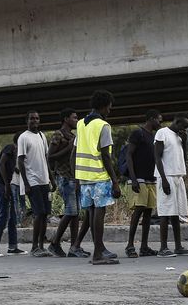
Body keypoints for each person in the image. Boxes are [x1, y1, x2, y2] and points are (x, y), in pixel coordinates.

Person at [71, 90, 122, 265]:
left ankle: (99, 249)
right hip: (99, 174)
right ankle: (98, 254)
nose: (110, 110)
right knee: (99, 212)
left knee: (91, 212)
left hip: (84, 176)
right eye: (109, 106)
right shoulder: (103, 125)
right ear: (103, 106)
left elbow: (75, 151)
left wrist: (76, 177)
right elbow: (105, 155)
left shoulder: (80, 124)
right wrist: (115, 180)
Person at [47, 108, 91, 258]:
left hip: (74, 177)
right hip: (64, 177)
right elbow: (50, 156)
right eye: (74, 117)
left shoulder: (73, 136)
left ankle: (74, 246)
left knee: (75, 214)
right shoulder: (58, 135)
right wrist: (68, 148)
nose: (77, 120)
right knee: (71, 211)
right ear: (66, 119)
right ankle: (54, 243)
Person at [18, 111, 57, 257]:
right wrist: (26, 183)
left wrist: (51, 179)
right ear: (27, 120)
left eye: (37, 118)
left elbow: (46, 159)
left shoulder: (42, 136)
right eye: (31, 118)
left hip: (44, 181)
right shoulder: (23, 137)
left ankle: (41, 245)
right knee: (38, 213)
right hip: (32, 181)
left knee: (45, 213)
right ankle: (34, 246)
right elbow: (20, 161)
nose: (34, 120)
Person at [154, 114, 188, 257]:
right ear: (176, 122)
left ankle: (178, 246)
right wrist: (163, 179)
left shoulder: (178, 136)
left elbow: (183, 156)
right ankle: (163, 248)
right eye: (183, 126)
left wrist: (183, 140)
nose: (184, 129)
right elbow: (157, 157)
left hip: (178, 177)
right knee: (165, 213)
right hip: (167, 177)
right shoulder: (162, 133)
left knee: (176, 214)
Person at [125, 110, 162, 258]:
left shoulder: (153, 136)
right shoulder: (137, 133)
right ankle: (130, 245)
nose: (160, 123)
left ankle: (144, 246)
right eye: (159, 120)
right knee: (138, 211)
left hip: (150, 179)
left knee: (148, 212)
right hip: (139, 179)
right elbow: (129, 154)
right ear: (151, 119)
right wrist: (133, 178)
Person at [0, 133, 28, 257]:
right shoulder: (10, 148)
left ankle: (12, 247)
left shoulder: (16, 153)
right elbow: (1, 164)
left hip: (5, 185)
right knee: (4, 215)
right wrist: (6, 185)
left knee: (12, 217)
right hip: (0, 185)